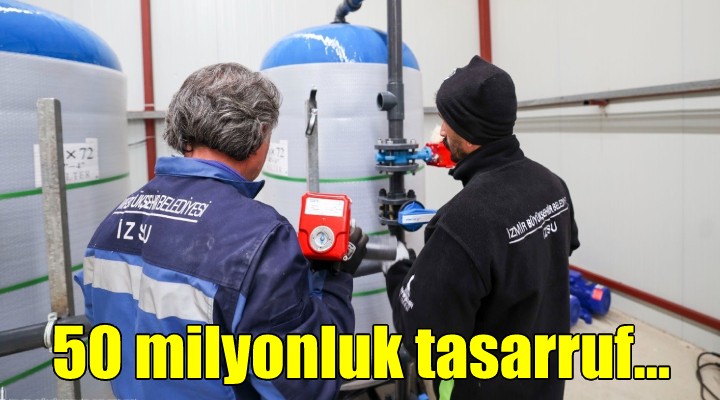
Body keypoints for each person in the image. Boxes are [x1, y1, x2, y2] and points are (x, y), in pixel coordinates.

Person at [75, 63, 367, 400]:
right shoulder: (261, 239)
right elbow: (306, 383)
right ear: (259, 135)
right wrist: (333, 282)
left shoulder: (113, 222)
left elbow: (105, 340)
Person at [384, 56, 580, 399]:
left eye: (447, 121)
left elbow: (421, 337)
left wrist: (400, 269)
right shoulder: (552, 185)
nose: (441, 131)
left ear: (470, 131)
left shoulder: (461, 223)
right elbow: (549, 255)